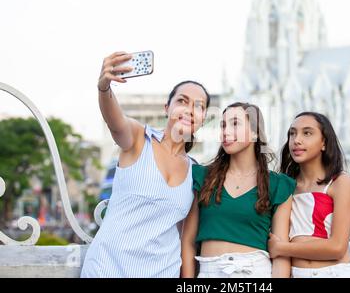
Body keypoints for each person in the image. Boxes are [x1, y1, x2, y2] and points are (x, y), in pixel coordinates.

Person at [81, 51, 210, 277]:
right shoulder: (140, 138)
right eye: (182, 101)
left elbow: (185, 240)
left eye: (198, 106)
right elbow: (115, 121)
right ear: (166, 108)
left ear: (203, 117)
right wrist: (104, 87)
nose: (189, 109)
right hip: (107, 269)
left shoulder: (195, 172)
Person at [181, 102, 296, 278]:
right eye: (223, 125)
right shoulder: (203, 177)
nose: (226, 132)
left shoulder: (278, 185)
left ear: (255, 132)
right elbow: (188, 241)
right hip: (208, 272)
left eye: (235, 124)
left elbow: (281, 254)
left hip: (255, 272)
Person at [269, 111, 350, 278]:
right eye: (292, 133)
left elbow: (337, 247)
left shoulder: (339, 182)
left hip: (334, 273)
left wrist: (281, 248)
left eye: (307, 133)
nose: (297, 140)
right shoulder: (286, 186)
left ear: (324, 142)